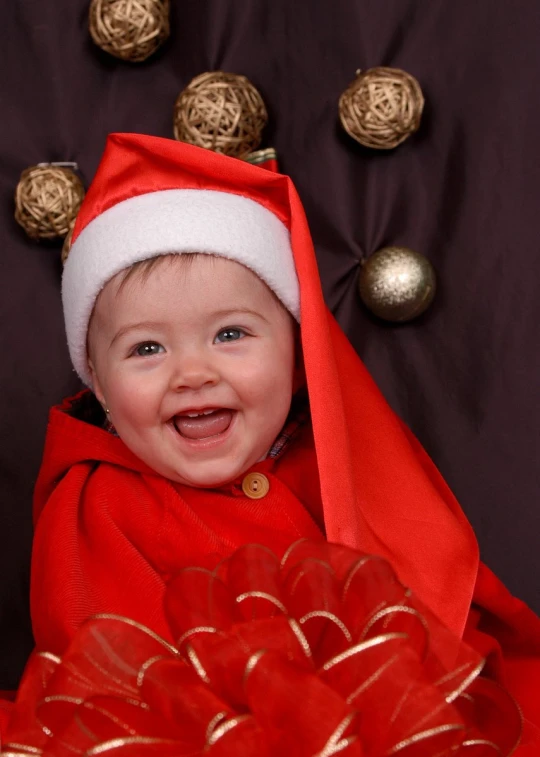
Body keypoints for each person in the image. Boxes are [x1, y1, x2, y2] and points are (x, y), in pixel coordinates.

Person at [20, 133, 540, 748]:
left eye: (231, 334)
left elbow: (438, 608)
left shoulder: (339, 464)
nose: (192, 373)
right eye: (147, 348)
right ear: (100, 388)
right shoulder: (98, 506)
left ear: (299, 359)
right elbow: (113, 686)